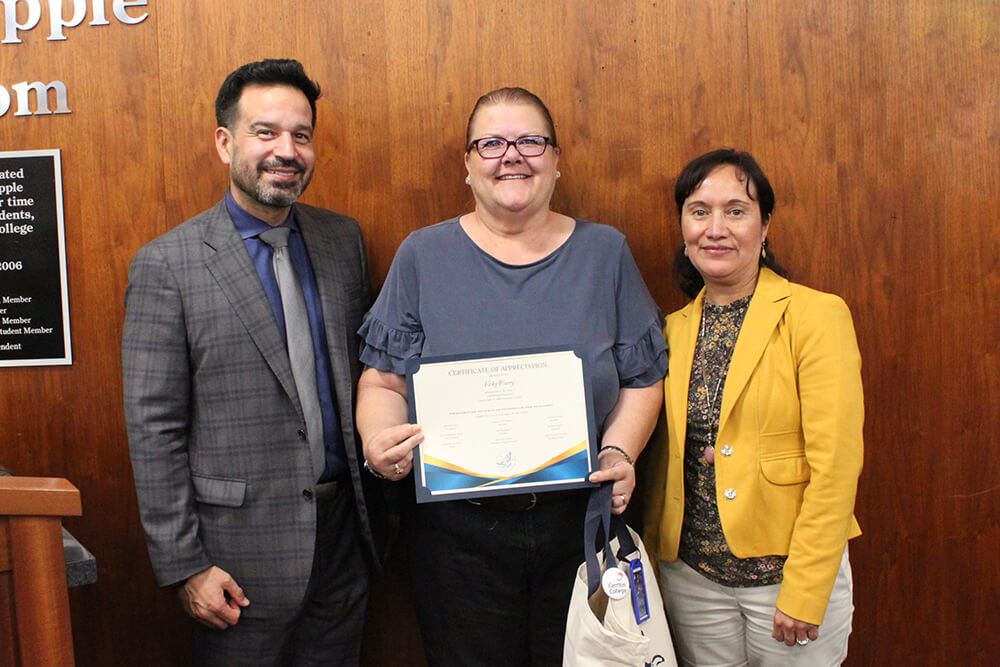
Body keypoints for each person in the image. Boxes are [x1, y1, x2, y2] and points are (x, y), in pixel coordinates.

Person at [355, 87, 666, 665]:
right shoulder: (422, 255)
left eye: (530, 141)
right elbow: (383, 382)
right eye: (491, 143)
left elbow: (643, 377)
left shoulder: (605, 253)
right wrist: (379, 441)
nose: (511, 155)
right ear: (468, 163)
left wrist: (620, 450)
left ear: (556, 158)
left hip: (580, 526)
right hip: (456, 536)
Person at [122, 59, 383, 666]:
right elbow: (154, 428)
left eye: (301, 135)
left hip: (344, 543)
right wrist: (185, 565)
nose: (286, 151)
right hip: (235, 563)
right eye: (265, 132)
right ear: (225, 142)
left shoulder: (342, 241)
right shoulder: (167, 265)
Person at [642, 149, 864, 666]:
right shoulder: (670, 330)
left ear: (765, 226)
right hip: (694, 581)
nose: (715, 228)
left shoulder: (816, 316)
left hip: (785, 580)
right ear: (683, 227)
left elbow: (836, 467)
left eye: (736, 211)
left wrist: (806, 589)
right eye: (699, 211)